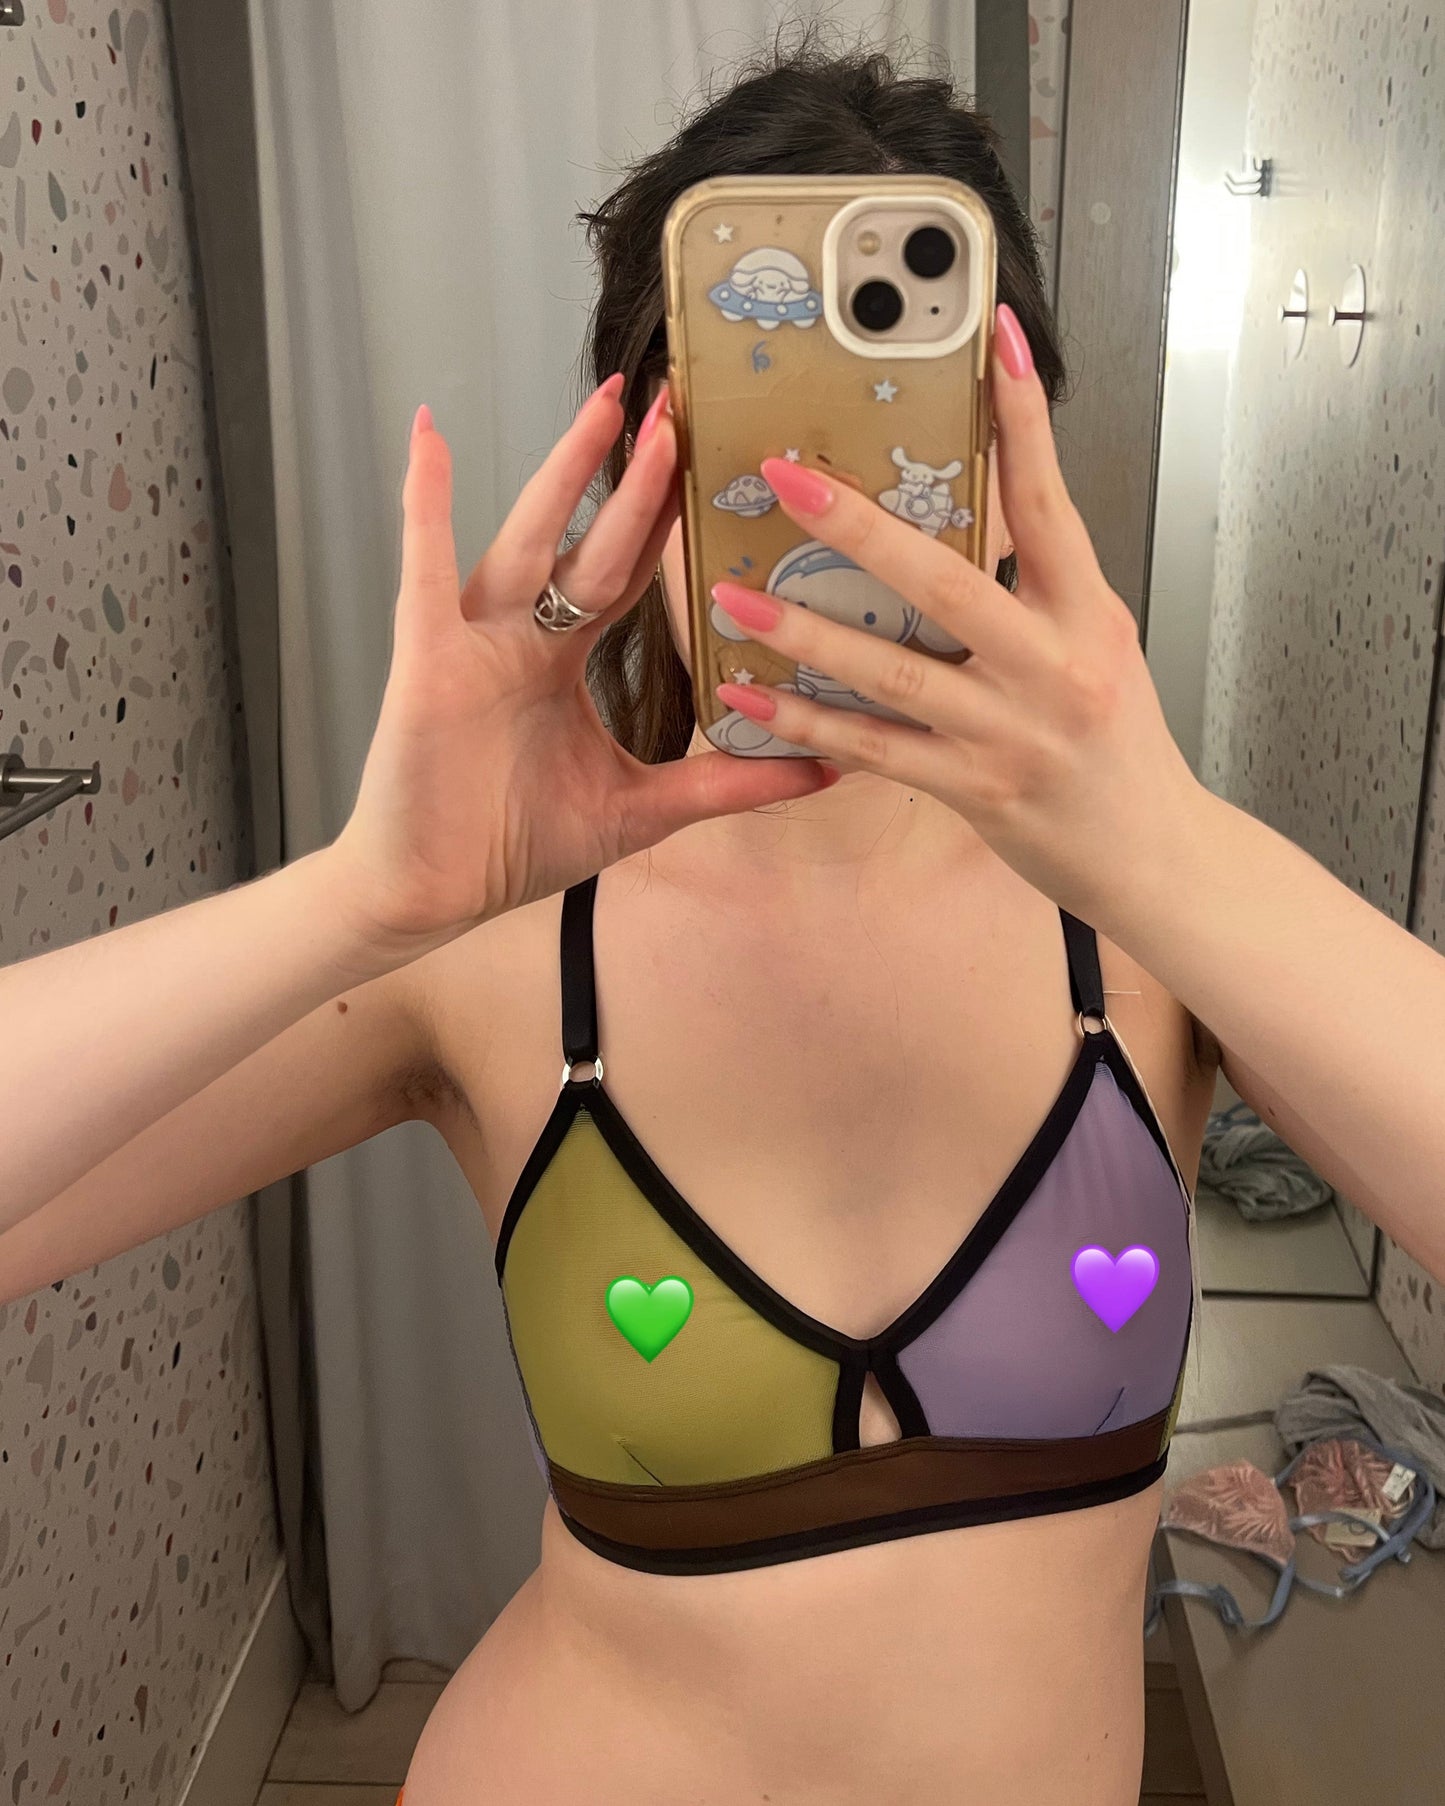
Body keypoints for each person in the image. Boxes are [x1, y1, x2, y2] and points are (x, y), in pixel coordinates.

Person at [6, 40, 1445, 1806]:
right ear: (644, 475)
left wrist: (1163, 851)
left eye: (897, 436)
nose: (820, 517)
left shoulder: (1152, 931)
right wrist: (358, 898)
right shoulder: (492, 952)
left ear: (1009, 473)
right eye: (758, 437)